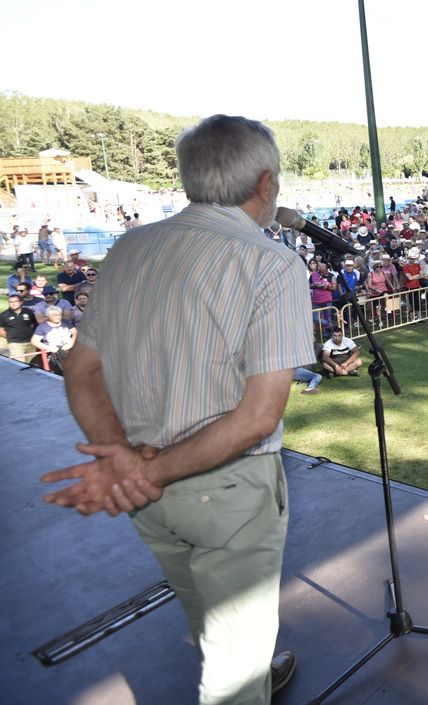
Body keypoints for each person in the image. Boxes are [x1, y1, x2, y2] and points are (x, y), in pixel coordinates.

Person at [40, 115, 307, 703]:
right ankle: (245, 672)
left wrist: (123, 460)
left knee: (207, 614)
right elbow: (258, 417)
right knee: (233, 680)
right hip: (225, 490)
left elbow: (81, 370)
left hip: (149, 494)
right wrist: (142, 471)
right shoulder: (273, 263)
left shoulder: (131, 248)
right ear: (266, 184)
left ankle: (249, 661)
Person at [1, 293, 38, 362]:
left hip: (31, 342)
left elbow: (34, 324)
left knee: (33, 364)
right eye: (11, 302)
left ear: (21, 302)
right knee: (20, 364)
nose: (13, 304)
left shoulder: (28, 312)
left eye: (16, 301)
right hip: (15, 344)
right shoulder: (4, 315)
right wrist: (11, 337)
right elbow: (1, 330)